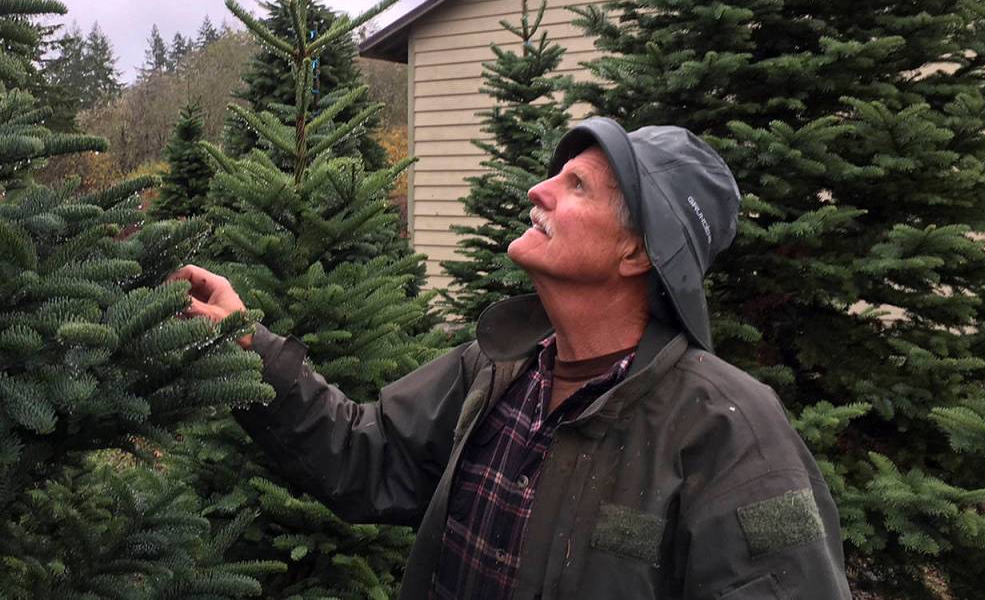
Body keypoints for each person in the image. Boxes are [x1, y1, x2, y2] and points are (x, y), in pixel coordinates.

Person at [170, 117, 852, 600]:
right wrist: (247, 343)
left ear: (637, 253)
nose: (539, 190)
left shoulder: (729, 430)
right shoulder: (495, 370)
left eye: (578, 186)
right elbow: (364, 455)